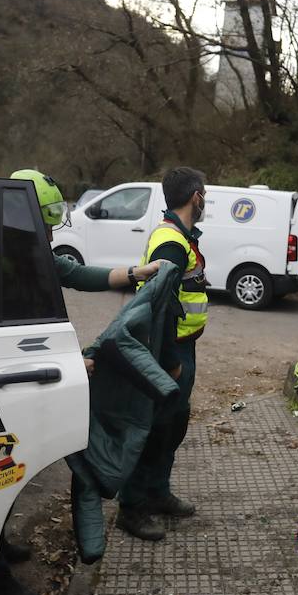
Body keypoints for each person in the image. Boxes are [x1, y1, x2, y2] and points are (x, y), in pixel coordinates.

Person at [0, 169, 164, 595]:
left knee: (9, 465)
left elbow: (77, 274)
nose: (51, 228)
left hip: (12, 376)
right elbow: (0, 336)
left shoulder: (23, 248)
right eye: (45, 218)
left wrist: (138, 273)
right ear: (23, 216)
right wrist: (68, 362)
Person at [115, 167, 209, 542]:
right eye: (206, 197)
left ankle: (157, 492)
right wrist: (169, 360)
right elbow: (160, 305)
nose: (206, 203)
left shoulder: (179, 235)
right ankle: (132, 507)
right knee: (154, 428)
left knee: (172, 424)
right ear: (196, 197)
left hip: (182, 347)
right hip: (171, 352)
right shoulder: (171, 241)